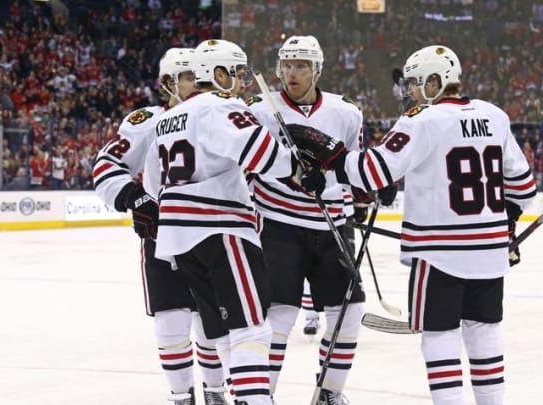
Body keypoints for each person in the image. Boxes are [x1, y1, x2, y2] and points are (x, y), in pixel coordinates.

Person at [286, 45, 537, 405]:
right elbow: (524, 189)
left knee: (440, 337)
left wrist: (331, 153)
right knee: (485, 335)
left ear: (436, 81)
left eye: (416, 84)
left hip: (439, 256)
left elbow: (371, 172)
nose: (411, 93)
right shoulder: (494, 116)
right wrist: (508, 222)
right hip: (489, 253)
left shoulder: (421, 120)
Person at [152, 38, 311, 405]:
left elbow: (157, 180)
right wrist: (298, 167)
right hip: (220, 228)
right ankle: (256, 400)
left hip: (179, 236)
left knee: (223, 332)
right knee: (253, 327)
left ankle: (241, 395)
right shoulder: (220, 106)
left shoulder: (169, 118)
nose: (243, 83)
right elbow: (263, 153)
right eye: (238, 74)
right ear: (218, 74)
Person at [246, 35, 395, 404]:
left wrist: (371, 188)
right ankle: (264, 395)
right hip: (279, 223)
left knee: (349, 312)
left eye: (301, 66)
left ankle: (329, 392)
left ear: (317, 70)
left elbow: (352, 164)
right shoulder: (259, 109)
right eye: (287, 65)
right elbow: (249, 164)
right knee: (280, 315)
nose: (292, 73)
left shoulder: (346, 111)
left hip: (332, 224)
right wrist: (292, 176)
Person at [92, 48, 230, 405]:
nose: (196, 85)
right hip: (163, 237)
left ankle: (215, 393)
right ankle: (180, 397)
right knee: (171, 323)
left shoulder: (215, 114)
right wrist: (135, 198)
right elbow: (106, 164)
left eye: (200, 78)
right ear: (168, 82)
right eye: (188, 78)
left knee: (210, 321)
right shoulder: (149, 121)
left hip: (210, 233)